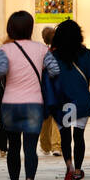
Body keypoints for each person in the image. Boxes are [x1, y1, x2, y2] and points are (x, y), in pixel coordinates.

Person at [0, 10, 58, 180]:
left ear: (10, 28)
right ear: (30, 28)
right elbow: (55, 70)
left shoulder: (5, 50)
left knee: (14, 146)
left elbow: (0, 72)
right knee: (30, 147)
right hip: (34, 104)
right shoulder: (41, 49)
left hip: (11, 104)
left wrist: (1, 77)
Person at [48, 19, 90, 180]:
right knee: (79, 136)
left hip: (62, 103)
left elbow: (48, 77)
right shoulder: (86, 54)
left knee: (65, 137)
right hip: (81, 101)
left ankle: (68, 167)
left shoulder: (53, 56)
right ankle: (78, 171)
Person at [38, 25, 63, 157]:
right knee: (57, 116)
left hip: (45, 88)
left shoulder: (43, 53)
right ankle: (56, 146)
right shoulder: (61, 53)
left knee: (45, 116)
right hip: (58, 87)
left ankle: (45, 145)